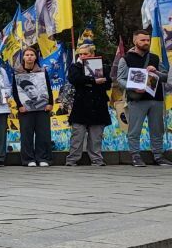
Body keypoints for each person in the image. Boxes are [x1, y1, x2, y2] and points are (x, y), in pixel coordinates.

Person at [115, 29, 171, 166]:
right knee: (135, 129)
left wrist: (156, 71)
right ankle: (135, 156)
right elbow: (120, 79)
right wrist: (131, 87)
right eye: (143, 40)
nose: (146, 42)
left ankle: (158, 155)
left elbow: (166, 77)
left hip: (155, 99)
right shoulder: (126, 59)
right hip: (137, 99)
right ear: (135, 41)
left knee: (157, 129)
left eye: (148, 40)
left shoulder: (155, 57)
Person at [65, 35, 111, 166]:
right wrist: (92, 81)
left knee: (96, 136)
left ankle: (97, 159)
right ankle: (72, 160)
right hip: (81, 106)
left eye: (85, 54)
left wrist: (100, 81)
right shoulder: (75, 67)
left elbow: (108, 83)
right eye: (81, 54)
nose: (83, 56)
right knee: (77, 135)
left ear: (92, 54)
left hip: (98, 105)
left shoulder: (103, 66)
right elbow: (74, 79)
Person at [12, 47, 54, 167]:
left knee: (43, 133)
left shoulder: (42, 71)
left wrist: (50, 103)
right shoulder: (17, 72)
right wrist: (19, 106)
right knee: (26, 134)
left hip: (42, 108)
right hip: (25, 110)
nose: (29, 57)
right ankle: (28, 159)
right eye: (27, 55)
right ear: (23, 57)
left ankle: (43, 158)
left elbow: (48, 88)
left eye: (32, 54)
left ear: (36, 57)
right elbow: (15, 91)